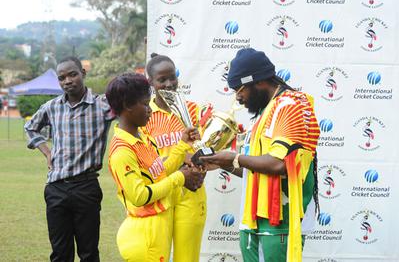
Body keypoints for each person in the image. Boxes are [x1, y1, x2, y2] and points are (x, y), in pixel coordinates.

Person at [201, 48, 320, 262]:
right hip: (258, 222)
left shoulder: (290, 106)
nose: (238, 98)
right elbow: (255, 170)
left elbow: (280, 164)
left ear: (258, 82)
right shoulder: (267, 111)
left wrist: (234, 158)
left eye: (240, 90)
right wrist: (223, 163)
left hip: (279, 222)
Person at [106, 73, 204, 262]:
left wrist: (183, 144)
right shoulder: (122, 150)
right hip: (144, 235)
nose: (150, 110)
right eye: (145, 104)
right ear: (127, 106)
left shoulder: (142, 138)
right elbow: (140, 196)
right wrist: (180, 178)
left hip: (157, 228)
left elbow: (159, 173)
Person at [24, 56, 114, 262]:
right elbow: (30, 127)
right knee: (60, 254)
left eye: (72, 74)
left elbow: (130, 112)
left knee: (89, 252)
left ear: (83, 73)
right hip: (56, 189)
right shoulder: (52, 107)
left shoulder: (102, 105)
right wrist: (47, 152)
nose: (67, 81)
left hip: (86, 187)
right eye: (62, 77)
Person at [145, 53, 211, 262]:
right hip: (160, 193)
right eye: (161, 80)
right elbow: (147, 161)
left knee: (187, 258)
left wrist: (200, 166)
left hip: (190, 193)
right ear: (150, 82)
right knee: (157, 257)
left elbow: (206, 149)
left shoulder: (192, 110)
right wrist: (183, 161)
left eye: (172, 77)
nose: (169, 84)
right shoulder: (145, 114)